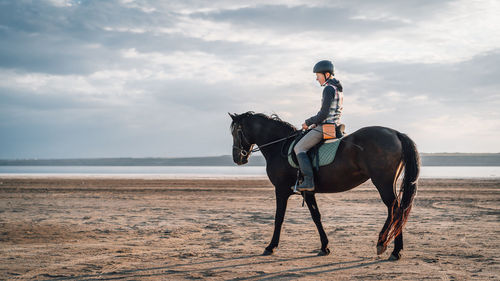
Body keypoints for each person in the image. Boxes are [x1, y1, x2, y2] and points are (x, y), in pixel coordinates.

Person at [293, 60, 344, 192]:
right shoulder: (337, 88)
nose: (316, 78)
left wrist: (308, 122)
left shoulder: (328, 88)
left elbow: (323, 114)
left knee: (299, 147)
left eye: (318, 75)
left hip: (326, 127)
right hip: (335, 125)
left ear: (326, 74)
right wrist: (315, 122)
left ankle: (308, 181)